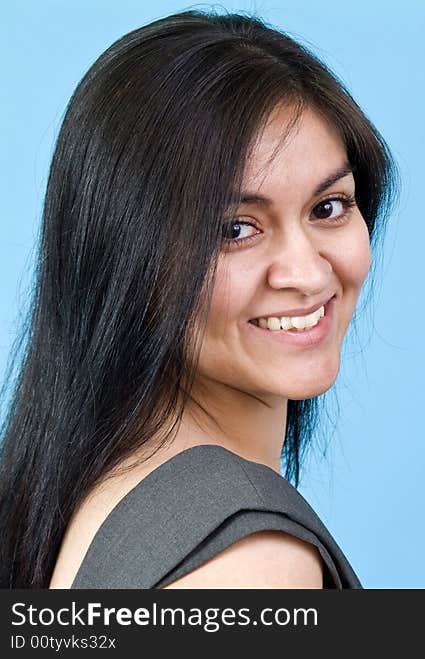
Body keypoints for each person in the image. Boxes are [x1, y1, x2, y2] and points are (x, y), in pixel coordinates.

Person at [0, 9, 397, 588]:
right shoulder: (249, 562)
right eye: (236, 229)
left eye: (328, 207)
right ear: (129, 258)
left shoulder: (99, 490)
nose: (308, 275)